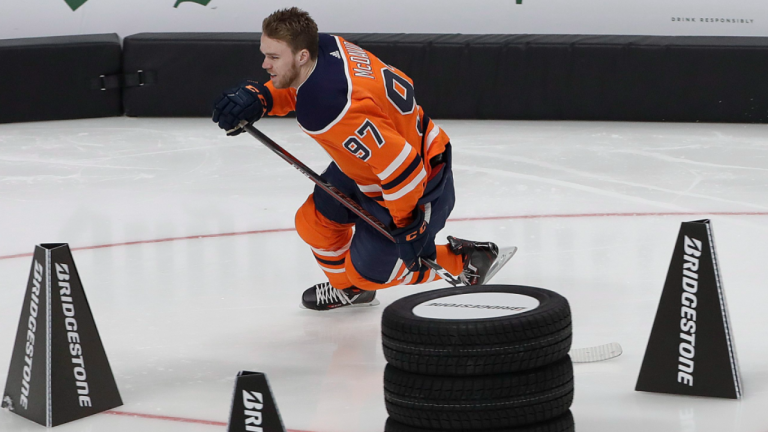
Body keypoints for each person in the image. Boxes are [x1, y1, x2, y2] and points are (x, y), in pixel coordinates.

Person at [213, 7, 502, 310]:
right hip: (370, 165)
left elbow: (405, 168)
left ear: (301, 56)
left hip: (420, 181)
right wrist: (264, 97)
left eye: (273, 57)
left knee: (370, 274)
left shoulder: (329, 108)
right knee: (313, 225)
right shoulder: (325, 45)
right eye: (265, 54)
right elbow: (304, 87)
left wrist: (407, 224)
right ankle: (350, 290)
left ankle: (467, 261)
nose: (264, 64)